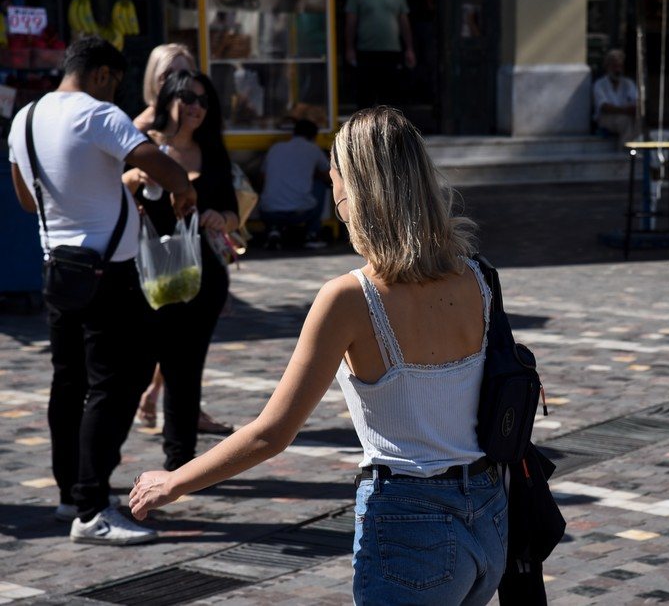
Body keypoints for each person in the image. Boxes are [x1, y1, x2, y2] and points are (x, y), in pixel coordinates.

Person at [130, 106, 506, 604]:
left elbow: (271, 434)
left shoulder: (350, 298)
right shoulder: (477, 277)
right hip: (489, 511)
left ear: (356, 190)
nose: (334, 199)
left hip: (408, 521)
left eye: (335, 181)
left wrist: (174, 481)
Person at [8, 37, 196, 544]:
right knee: (115, 384)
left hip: (58, 270)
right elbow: (166, 168)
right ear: (103, 76)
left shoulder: (24, 119)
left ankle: (70, 493)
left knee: (68, 384)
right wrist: (183, 187)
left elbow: (27, 199)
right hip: (108, 275)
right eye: (113, 82)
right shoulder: (99, 114)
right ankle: (93, 509)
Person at [123, 70, 239, 471]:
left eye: (205, 101)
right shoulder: (142, 148)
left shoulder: (212, 151)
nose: (197, 107)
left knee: (186, 372)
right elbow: (113, 196)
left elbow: (233, 213)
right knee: (136, 367)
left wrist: (219, 217)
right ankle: (102, 462)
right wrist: (132, 182)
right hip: (145, 276)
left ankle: (180, 463)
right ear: (168, 98)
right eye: (189, 97)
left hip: (200, 278)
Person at [344, 0, 416, 109]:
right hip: (366, 51)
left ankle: (388, 130)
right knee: (365, 96)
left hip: (391, 51)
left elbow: (404, 22)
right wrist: (349, 49)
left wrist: (409, 48)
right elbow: (351, 22)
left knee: (389, 96)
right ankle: (363, 131)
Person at [258, 118, 331, 250]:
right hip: (300, 213)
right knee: (319, 184)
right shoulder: (313, 149)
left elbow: (262, 178)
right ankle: (312, 234)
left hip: (268, 212)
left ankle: (273, 230)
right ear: (314, 136)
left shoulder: (275, 148)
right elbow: (329, 176)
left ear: (293, 133)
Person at [133, 43, 196, 134]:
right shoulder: (140, 129)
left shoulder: (197, 120)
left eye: (184, 75)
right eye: (168, 75)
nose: (177, 82)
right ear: (152, 78)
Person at [592, 48, 640, 143]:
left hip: (627, 116)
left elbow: (637, 103)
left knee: (636, 121)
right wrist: (625, 110)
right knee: (625, 121)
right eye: (614, 66)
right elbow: (604, 107)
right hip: (606, 118)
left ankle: (633, 151)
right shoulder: (599, 84)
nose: (617, 70)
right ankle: (625, 151)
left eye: (620, 66)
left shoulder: (628, 83)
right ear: (608, 67)